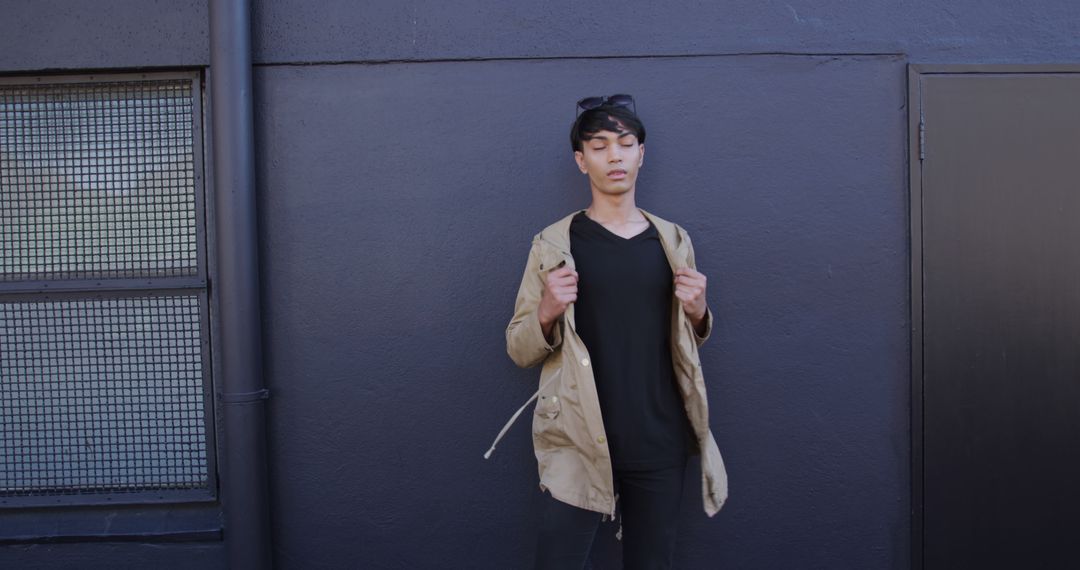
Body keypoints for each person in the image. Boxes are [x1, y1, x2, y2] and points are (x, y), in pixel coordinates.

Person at [485, 94, 728, 569]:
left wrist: (699, 312)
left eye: (625, 143)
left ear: (642, 153)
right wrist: (547, 311)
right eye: (598, 146)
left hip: (659, 438)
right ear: (581, 160)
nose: (614, 155)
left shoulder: (673, 240)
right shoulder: (554, 243)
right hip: (576, 437)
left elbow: (686, 339)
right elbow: (519, 348)